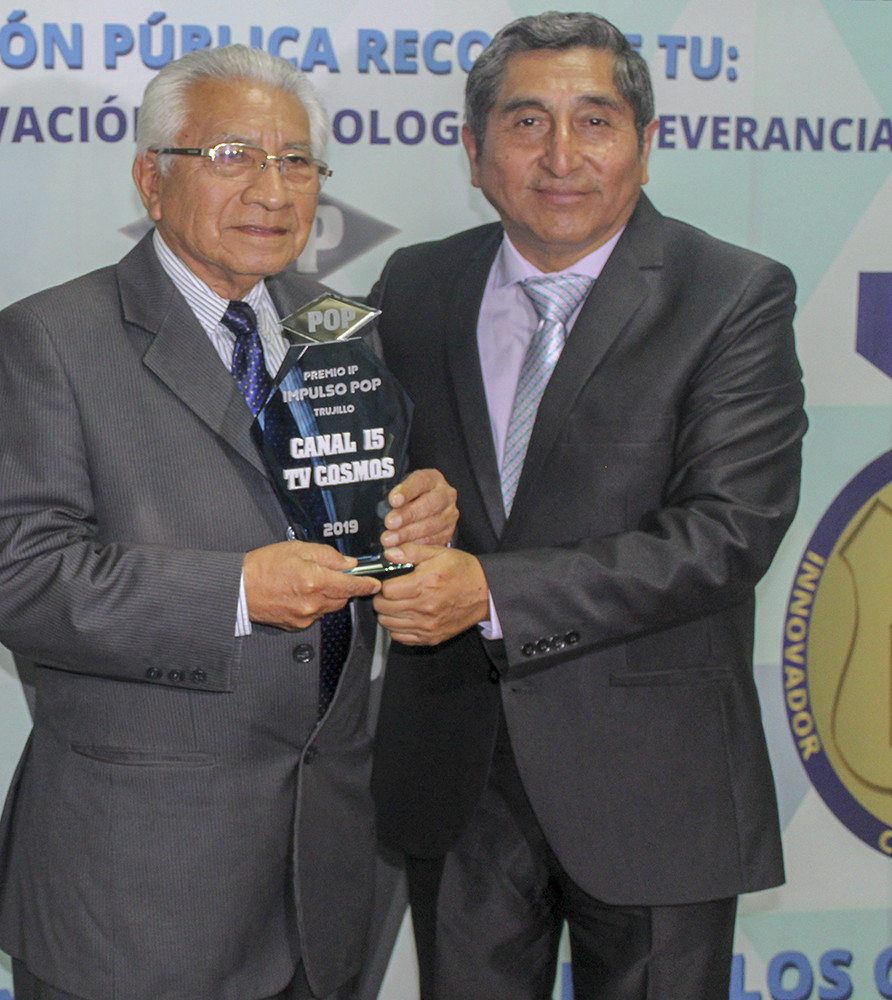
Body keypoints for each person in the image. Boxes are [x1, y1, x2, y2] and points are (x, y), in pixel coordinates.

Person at [0, 44, 455, 1000]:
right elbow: (23, 580)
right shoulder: (51, 337)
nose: (272, 190)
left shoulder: (343, 326)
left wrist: (418, 520)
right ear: (152, 179)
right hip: (139, 883)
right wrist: (235, 592)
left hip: (326, 866)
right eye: (233, 157)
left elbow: (360, 518)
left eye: (297, 161)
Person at [366, 11, 805, 1000]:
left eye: (595, 122)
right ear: (474, 150)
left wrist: (490, 592)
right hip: (456, 776)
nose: (561, 156)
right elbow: (373, 488)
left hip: (655, 782)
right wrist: (394, 513)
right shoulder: (416, 285)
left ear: (646, 144)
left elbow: (727, 534)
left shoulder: (732, 296)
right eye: (527, 123)